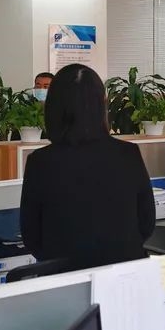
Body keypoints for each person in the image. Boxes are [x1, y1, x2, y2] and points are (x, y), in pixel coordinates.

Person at [20, 63, 155, 271]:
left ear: (53, 108)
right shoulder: (128, 154)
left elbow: (32, 236)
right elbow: (146, 224)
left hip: (65, 279)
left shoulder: (41, 162)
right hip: (124, 276)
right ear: (102, 105)